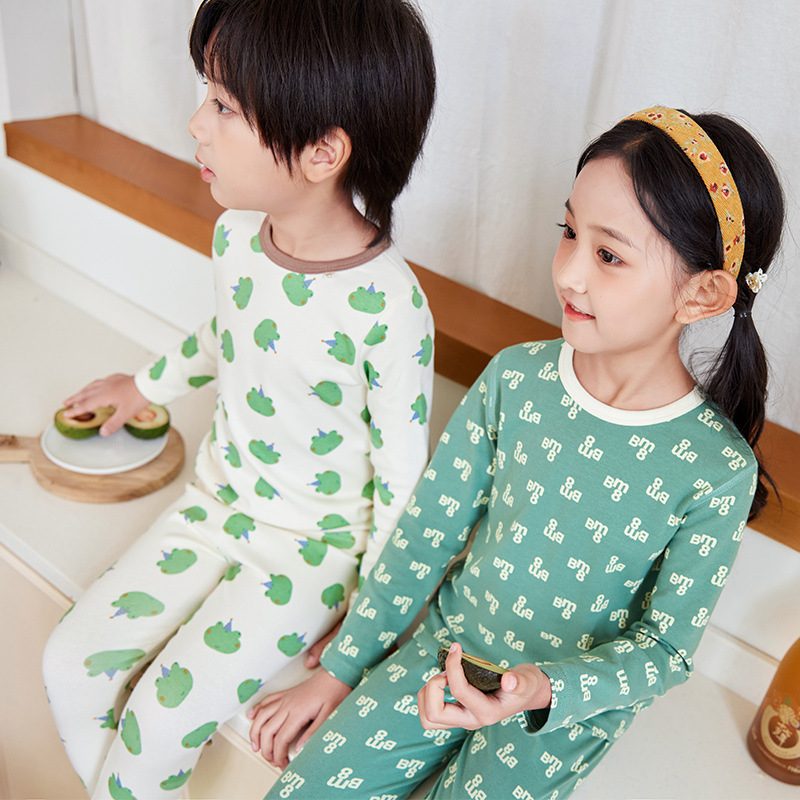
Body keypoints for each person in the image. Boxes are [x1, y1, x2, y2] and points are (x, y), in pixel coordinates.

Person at [255, 106, 785, 800]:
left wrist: (541, 689)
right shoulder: (516, 379)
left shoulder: (717, 470)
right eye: (569, 232)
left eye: (609, 255)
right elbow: (426, 534)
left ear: (703, 292)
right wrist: (341, 668)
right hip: (446, 652)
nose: (569, 273)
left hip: (559, 715)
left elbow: (665, 650)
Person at [42, 1, 436, 797]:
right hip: (213, 504)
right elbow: (228, 334)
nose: (196, 123)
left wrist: (367, 626)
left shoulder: (392, 308)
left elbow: (404, 481)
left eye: (223, 106)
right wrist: (143, 386)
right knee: (68, 665)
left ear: (322, 152)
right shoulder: (235, 238)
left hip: (311, 551)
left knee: (159, 724)